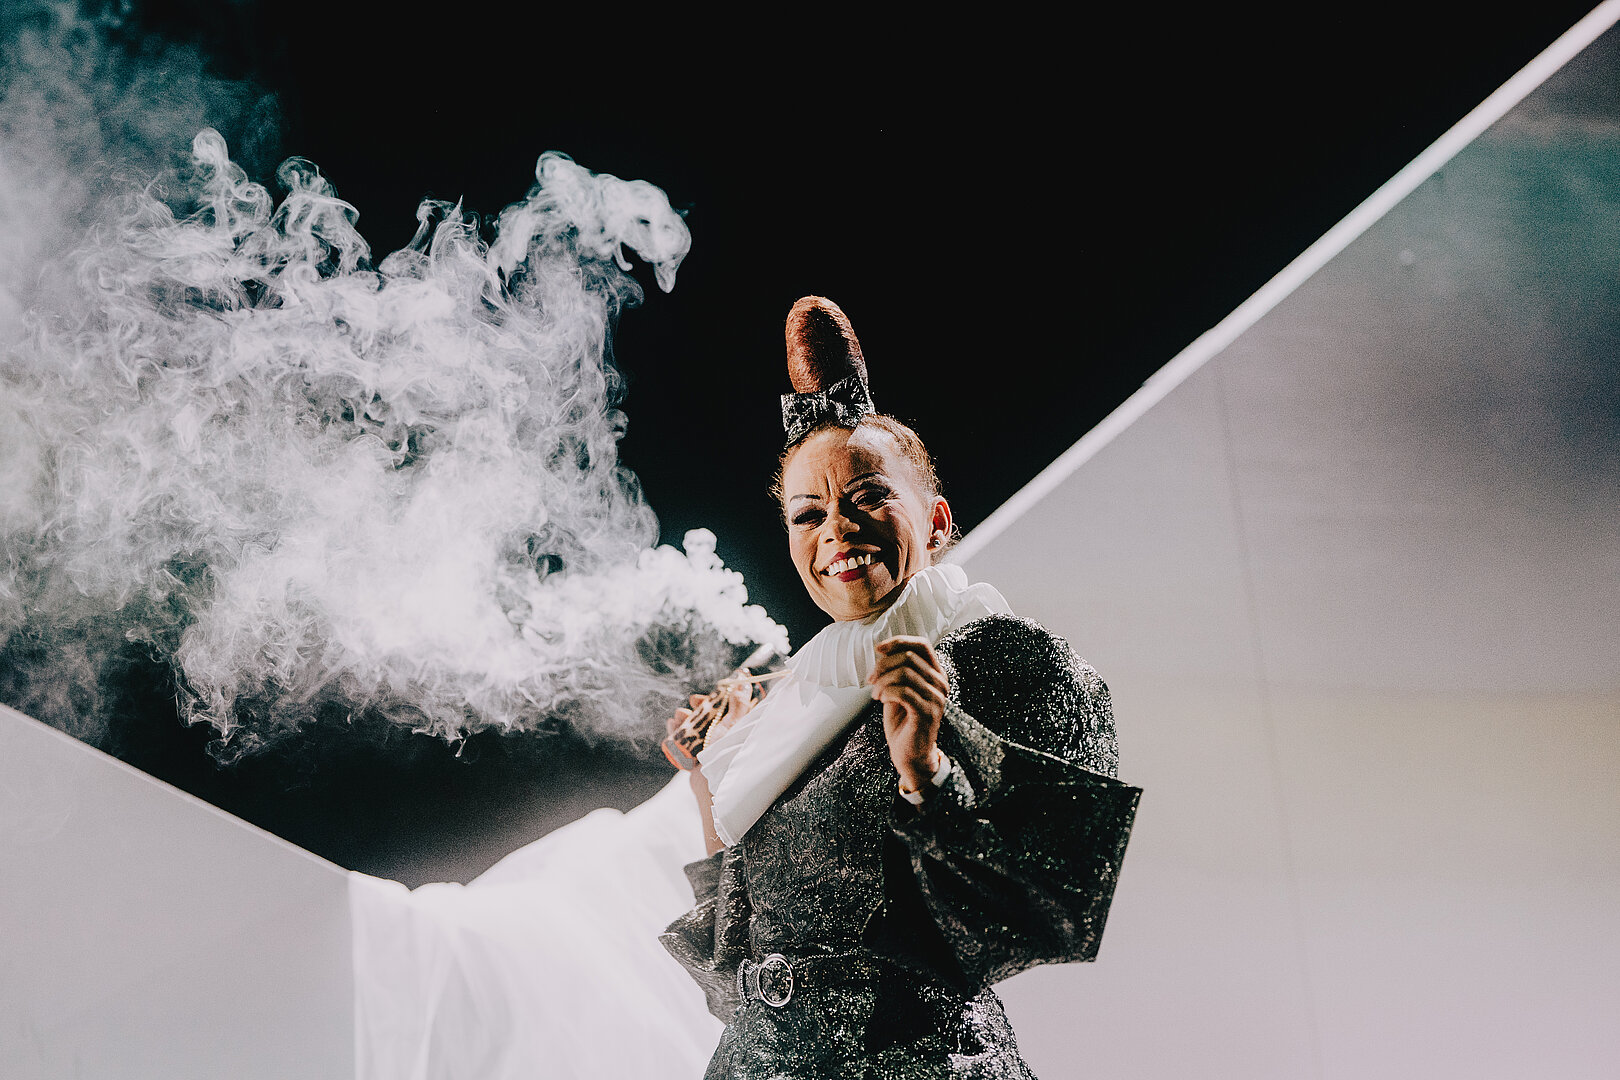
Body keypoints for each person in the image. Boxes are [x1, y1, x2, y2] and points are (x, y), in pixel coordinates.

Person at [659, 297, 1141, 1079]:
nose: (836, 529)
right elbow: (736, 971)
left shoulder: (995, 656)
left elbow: (1048, 895)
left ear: (938, 519)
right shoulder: (785, 711)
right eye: (808, 514)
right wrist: (709, 776)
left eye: (867, 497)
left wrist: (927, 769)